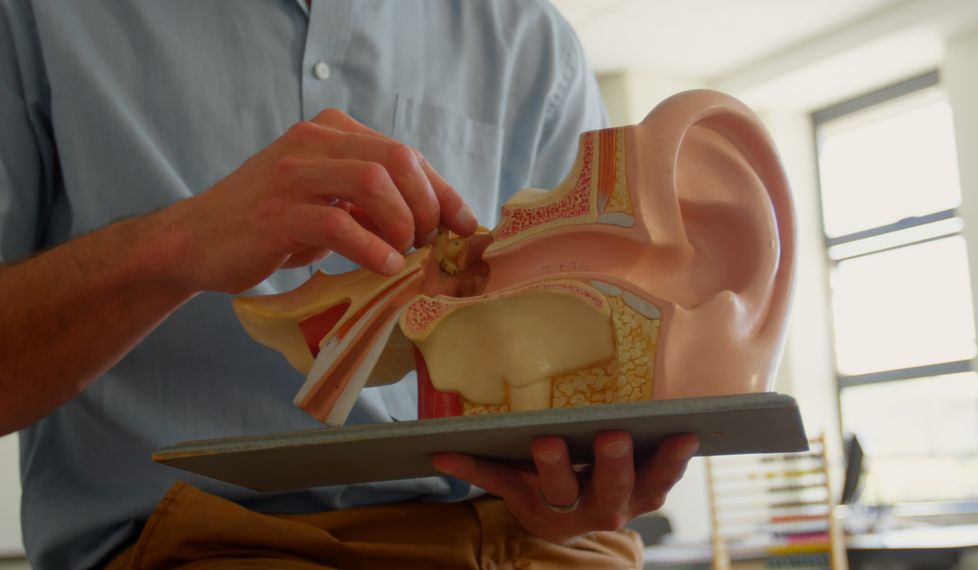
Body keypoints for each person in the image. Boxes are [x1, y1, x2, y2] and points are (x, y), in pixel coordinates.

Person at [0, 1, 699, 568]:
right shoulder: (40, 17)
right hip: (216, 547)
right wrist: (179, 243)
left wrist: (588, 483)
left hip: (536, 542)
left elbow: (598, 385)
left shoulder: (533, 41)